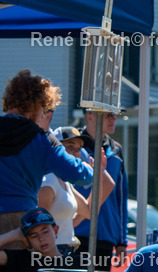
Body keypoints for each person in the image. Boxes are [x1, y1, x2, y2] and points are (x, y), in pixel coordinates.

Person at [0, 71, 94, 233]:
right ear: (37, 105)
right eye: (44, 109)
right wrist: (91, 169)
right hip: (22, 219)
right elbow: (76, 173)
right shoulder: (42, 139)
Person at [74, 110, 129, 272]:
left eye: (115, 115)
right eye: (108, 115)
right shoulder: (73, 145)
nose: (113, 119)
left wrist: (121, 241)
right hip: (76, 237)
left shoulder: (116, 150)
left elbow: (121, 197)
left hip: (105, 238)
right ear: (90, 114)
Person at [39, 127, 113, 257]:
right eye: (70, 147)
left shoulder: (65, 182)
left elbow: (90, 211)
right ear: (56, 148)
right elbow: (39, 225)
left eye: (79, 149)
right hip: (52, 252)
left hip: (66, 251)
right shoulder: (48, 181)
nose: (77, 153)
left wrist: (99, 175)